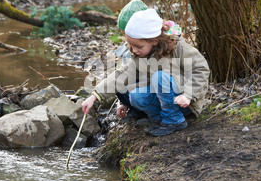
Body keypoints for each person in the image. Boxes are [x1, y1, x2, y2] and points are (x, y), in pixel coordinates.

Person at [82, 8, 210, 136]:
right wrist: (95, 96)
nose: (134, 50)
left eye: (138, 46)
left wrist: (188, 95)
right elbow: (121, 75)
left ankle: (174, 120)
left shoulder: (178, 48)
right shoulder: (141, 57)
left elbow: (200, 69)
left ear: (154, 40)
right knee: (136, 96)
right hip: (166, 100)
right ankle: (159, 119)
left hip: (185, 102)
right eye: (131, 46)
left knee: (159, 77)